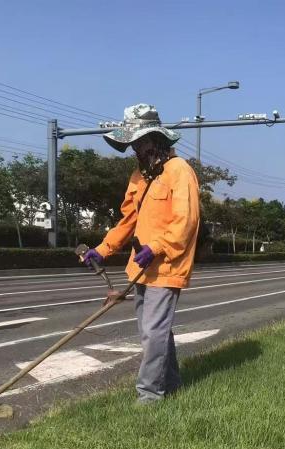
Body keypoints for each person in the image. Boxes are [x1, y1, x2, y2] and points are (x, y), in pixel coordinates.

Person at [83, 103, 200, 404]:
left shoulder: (179, 172)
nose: (136, 148)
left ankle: (148, 397)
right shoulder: (139, 176)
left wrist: (158, 247)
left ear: (156, 139)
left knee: (153, 333)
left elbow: (185, 221)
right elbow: (127, 221)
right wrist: (102, 250)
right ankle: (171, 385)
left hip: (167, 265)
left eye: (140, 142)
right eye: (133, 143)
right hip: (140, 268)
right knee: (156, 332)